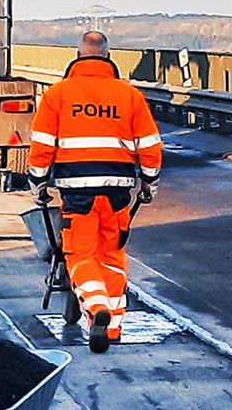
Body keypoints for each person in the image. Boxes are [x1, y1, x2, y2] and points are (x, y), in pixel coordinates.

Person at [27, 31, 162, 352]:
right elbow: (151, 145)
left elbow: (42, 146)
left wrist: (38, 186)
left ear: (77, 56)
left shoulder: (58, 95)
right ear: (107, 57)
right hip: (117, 193)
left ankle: (97, 307)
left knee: (80, 254)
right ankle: (112, 328)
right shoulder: (129, 95)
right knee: (112, 256)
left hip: (77, 193)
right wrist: (149, 183)